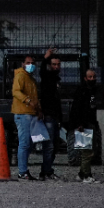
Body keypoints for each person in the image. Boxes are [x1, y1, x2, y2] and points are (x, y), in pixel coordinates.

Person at [11, 54, 41, 181]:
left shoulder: (30, 79)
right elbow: (16, 91)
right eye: (28, 63)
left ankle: (24, 170)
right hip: (23, 113)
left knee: (28, 143)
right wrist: (28, 101)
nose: (31, 65)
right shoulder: (21, 76)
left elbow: (35, 96)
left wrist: (38, 109)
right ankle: (22, 171)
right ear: (23, 64)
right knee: (24, 143)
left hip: (30, 113)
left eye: (32, 63)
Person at [68, 69, 99, 183]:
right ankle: (86, 174)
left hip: (90, 122)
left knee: (90, 149)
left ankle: (82, 173)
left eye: (94, 77)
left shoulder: (92, 91)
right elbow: (77, 108)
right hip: (84, 124)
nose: (92, 79)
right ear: (85, 78)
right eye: (90, 77)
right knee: (87, 151)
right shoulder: (82, 91)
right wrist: (79, 123)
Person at [38, 47, 62, 180]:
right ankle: (46, 171)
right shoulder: (47, 77)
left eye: (58, 64)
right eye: (54, 64)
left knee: (54, 146)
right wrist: (45, 57)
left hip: (54, 116)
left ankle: (47, 170)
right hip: (48, 116)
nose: (56, 67)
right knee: (49, 146)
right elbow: (42, 71)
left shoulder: (56, 79)